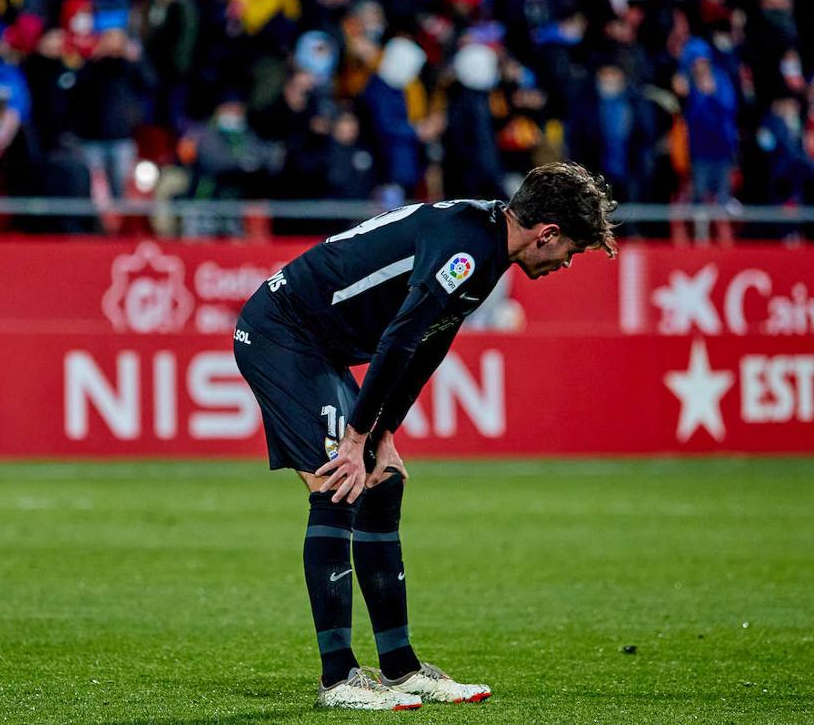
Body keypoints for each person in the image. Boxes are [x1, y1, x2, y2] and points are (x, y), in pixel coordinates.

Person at [233, 162, 617, 710]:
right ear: (547, 233)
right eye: (571, 250)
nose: (565, 263)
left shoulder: (486, 243)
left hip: (317, 342)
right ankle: (338, 679)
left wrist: (382, 432)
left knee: (381, 480)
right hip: (282, 332)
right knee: (337, 483)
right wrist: (355, 436)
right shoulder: (468, 249)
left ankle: (400, 669)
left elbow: (428, 344)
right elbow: (400, 338)